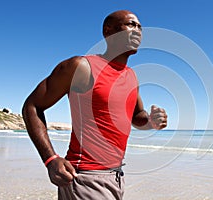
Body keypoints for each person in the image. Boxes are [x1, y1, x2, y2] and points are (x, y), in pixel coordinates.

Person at [22, 10, 167, 200]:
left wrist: (152, 121)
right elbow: (32, 106)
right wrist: (50, 159)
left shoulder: (132, 76)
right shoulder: (81, 67)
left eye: (140, 27)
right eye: (131, 24)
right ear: (108, 31)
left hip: (116, 177)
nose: (138, 30)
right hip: (84, 178)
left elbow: (137, 117)